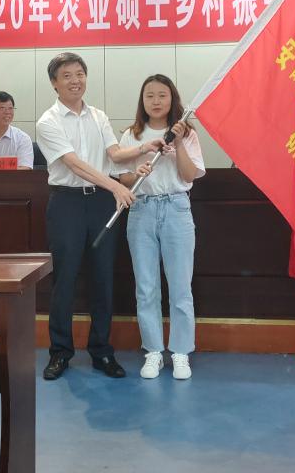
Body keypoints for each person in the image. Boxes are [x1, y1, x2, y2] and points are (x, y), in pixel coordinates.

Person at [35, 52, 162, 380]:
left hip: (101, 203)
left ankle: (102, 351)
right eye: (67, 75)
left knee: (103, 278)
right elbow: (74, 164)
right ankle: (60, 353)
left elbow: (114, 154)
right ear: (54, 83)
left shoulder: (98, 116)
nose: (75, 80)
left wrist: (144, 148)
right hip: (67, 204)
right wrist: (116, 186)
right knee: (65, 279)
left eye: (80, 73)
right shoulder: (48, 121)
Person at [114, 74, 205, 380]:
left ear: (172, 98)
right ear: (142, 101)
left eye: (162, 95)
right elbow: (123, 179)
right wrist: (137, 171)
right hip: (141, 210)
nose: (156, 101)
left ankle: (181, 352)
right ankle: (153, 351)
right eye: (149, 95)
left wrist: (177, 143)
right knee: (146, 287)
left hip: (177, 209)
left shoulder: (186, 133)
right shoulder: (132, 135)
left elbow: (189, 176)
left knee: (180, 287)